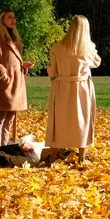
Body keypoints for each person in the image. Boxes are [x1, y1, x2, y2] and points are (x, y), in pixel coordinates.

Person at [0, 9, 33, 165]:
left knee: (8, 120)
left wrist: (22, 65)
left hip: (14, 85)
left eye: (14, 17)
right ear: (2, 20)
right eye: (10, 17)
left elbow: (10, 59)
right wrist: (2, 73)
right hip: (3, 85)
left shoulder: (12, 38)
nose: (13, 20)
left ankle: (4, 153)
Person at [45, 15, 102, 165]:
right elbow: (97, 62)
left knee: (59, 120)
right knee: (82, 120)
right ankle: (81, 156)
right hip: (81, 88)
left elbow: (52, 70)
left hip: (61, 87)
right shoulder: (88, 48)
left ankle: (52, 155)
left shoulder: (57, 47)